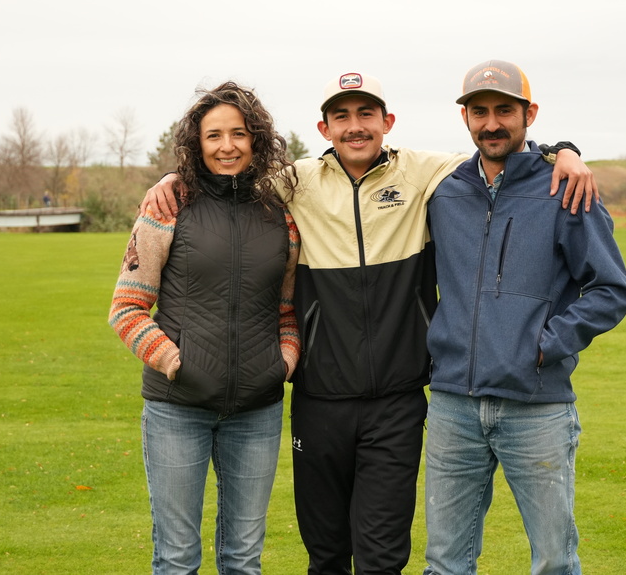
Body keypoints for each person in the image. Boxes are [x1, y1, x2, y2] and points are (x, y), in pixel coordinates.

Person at [141, 71, 597, 575]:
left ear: (388, 121)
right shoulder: (293, 182)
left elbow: (499, 151)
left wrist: (565, 150)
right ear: (324, 128)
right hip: (319, 402)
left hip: (397, 402)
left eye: (365, 114)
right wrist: (172, 178)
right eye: (342, 116)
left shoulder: (427, 173)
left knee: (382, 559)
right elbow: (225, 175)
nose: (354, 126)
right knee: (327, 555)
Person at [422, 61, 626, 575]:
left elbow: (611, 289)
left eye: (504, 110)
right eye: (479, 111)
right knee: (446, 563)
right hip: (453, 407)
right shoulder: (443, 192)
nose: (491, 123)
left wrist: (546, 343)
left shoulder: (564, 188)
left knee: (554, 562)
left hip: (537, 408)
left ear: (529, 113)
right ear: (466, 118)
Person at [108, 81, 301, 575]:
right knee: (176, 559)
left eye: (239, 133)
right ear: (197, 144)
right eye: (214, 135)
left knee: (243, 560)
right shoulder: (168, 205)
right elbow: (127, 309)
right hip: (178, 410)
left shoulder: (281, 215)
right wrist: (175, 361)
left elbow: (287, 310)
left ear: (257, 139)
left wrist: (284, 359)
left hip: (257, 412)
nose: (227, 146)